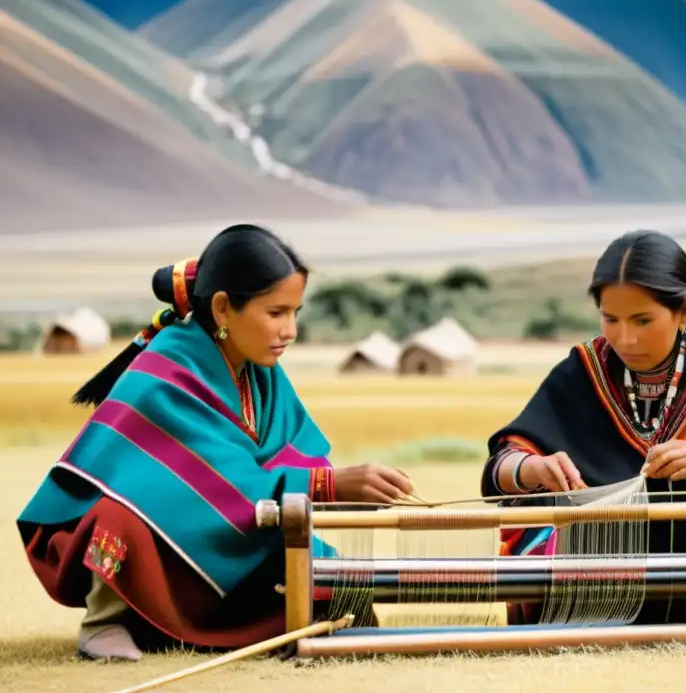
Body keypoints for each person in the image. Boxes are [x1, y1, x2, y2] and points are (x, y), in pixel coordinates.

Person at [17, 224, 416, 661]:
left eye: (295, 313)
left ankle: (194, 627)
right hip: (164, 542)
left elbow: (291, 451)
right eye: (276, 312)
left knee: (345, 596)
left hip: (228, 530)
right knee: (120, 511)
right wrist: (327, 485)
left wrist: (330, 483)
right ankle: (106, 621)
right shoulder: (165, 368)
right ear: (224, 308)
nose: (290, 330)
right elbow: (207, 481)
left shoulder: (258, 370)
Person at [481, 230, 686, 624]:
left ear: (685, 312)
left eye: (643, 320)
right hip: (593, 583)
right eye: (610, 319)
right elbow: (501, 466)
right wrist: (532, 469)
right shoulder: (585, 370)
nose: (625, 338)